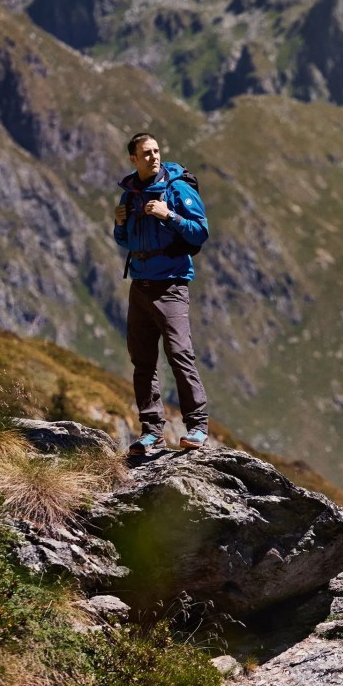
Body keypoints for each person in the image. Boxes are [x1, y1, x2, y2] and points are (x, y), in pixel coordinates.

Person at [113, 131, 210, 460]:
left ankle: (197, 426)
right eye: (146, 153)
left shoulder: (177, 188)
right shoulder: (131, 195)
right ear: (133, 159)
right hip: (139, 285)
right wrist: (119, 225)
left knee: (179, 353)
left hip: (171, 284)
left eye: (156, 151)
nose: (153, 157)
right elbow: (126, 241)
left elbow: (201, 231)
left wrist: (169, 215)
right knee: (142, 361)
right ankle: (152, 432)